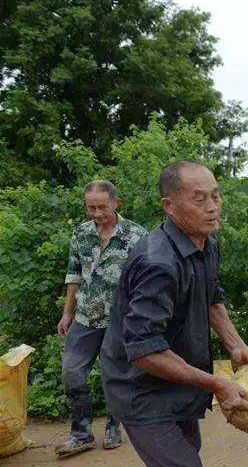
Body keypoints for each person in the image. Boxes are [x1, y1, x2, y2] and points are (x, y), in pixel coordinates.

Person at [100, 161, 248, 467]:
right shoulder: (158, 264)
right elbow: (145, 352)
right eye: (200, 199)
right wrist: (217, 384)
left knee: (188, 453)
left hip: (180, 381)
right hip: (141, 389)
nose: (213, 207)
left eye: (216, 196)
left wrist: (235, 344)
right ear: (169, 206)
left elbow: (212, 297)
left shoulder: (206, 243)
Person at [55, 180, 147, 458]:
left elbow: (146, 280)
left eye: (101, 207)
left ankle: (113, 427)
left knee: (115, 375)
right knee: (72, 372)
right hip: (85, 316)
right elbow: (74, 274)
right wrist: (67, 312)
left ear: (116, 203)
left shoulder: (137, 236)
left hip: (120, 319)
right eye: (90, 207)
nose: (95, 213)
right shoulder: (81, 233)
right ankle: (80, 434)